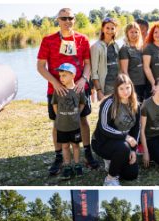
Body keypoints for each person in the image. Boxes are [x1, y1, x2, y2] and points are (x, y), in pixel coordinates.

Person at [37, 7, 100, 176]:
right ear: (57, 20)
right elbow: (40, 67)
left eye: (70, 18)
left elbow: (88, 63)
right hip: (56, 90)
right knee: (58, 121)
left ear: (74, 20)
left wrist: (83, 79)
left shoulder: (82, 39)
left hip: (79, 88)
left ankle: (87, 152)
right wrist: (55, 83)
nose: (67, 21)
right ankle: (59, 157)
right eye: (63, 18)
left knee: (82, 119)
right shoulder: (48, 40)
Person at [92, 74, 141, 185]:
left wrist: (133, 150)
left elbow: (136, 128)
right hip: (102, 142)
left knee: (131, 175)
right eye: (121, 88)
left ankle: (114, 161)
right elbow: (103, 127)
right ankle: (110, 179)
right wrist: (126, 137)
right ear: (116, 89)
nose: (125, 91)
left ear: (131, 87)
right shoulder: (108, 103)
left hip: (121, 142)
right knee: (123, 148)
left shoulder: (135, 105)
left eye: (128, 88)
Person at [52, 63, 86, 179]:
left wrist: (77, 113)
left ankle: (77, 165)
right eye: (60, 76)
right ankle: (67, 166)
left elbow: (82, 103)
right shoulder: (58, 90)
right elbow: (55, 105)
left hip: (74, 126)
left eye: (64, 75)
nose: (61, 78)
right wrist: (60, 116)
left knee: (75, 146)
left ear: (73, 75)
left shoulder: (78, 90)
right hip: (62, 126)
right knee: (65, 146)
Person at [90, 18, 120, 101]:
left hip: (118, 84)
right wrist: (99, 90)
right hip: (105, 85)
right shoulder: (96, 47)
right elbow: (94, 72)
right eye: (107, 28)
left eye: (112, 28)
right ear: (103, 29)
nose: (110, 31)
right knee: (108, 111)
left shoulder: (116, 45)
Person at [119, 22, 149, 101]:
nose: (134, 34)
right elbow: (124, 71)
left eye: (136, 32)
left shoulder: (140, 48)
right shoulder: (124, 49)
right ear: (127, 33)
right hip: (134, 84)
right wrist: (129, 86)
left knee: (142, 108)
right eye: (131, 32)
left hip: (144, 83)